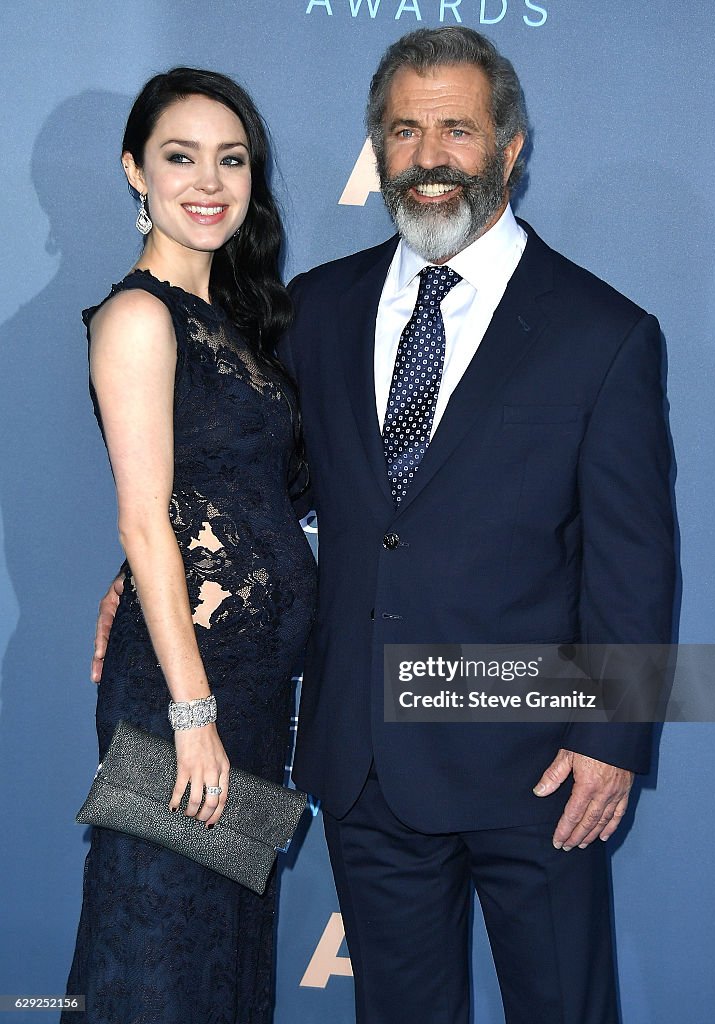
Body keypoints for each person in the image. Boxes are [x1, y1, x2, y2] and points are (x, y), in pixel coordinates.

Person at [94, 27, 674, 1024]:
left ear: (509, 148)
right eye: (405, 130)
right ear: (379, 148)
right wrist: (142, 571)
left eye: (456, 127)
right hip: (363, 763)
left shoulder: (601, 330)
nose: (430, 155)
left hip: (533, 764)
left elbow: (636, 558)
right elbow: (256, 481)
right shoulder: (316, 309)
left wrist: (612, 738)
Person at [64, 68, 316, 1024]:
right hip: (187, 698)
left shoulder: (237, 326)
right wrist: (190, 712)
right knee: (156, 964)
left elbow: (229, 497)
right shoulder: (138, 316)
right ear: (136, 171)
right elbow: (145, 517)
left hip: (243, 695)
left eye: (231, 159)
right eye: (180, 157)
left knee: (218, 967)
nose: (207, 181)